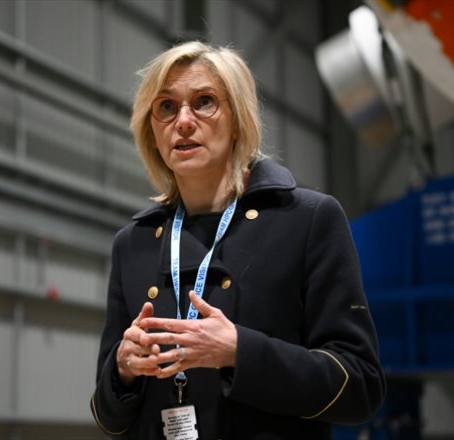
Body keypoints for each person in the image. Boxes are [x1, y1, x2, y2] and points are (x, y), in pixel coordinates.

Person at [91, 40, 385, 439]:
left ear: (237, 120)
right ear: (152, 131)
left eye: (204, 101)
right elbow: (108, 419)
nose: (183, 121)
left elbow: (361, 386)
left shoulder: (308, 219)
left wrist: (239, 352)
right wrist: (123, 369)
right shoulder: (133, 243)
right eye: (166, 107)